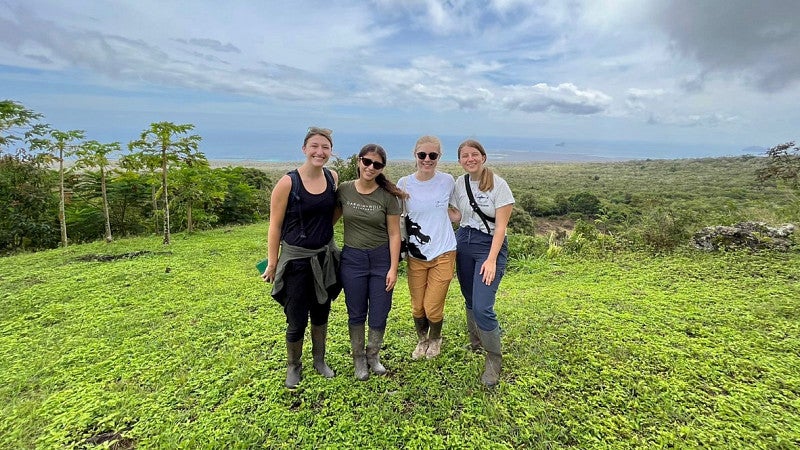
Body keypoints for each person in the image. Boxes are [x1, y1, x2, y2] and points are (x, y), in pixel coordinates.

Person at [261, 127, 341, 389]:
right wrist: (273, 262)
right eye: (315, 146)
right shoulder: (288, 183)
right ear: (304, 149)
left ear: (330, 151)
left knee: (322, 311)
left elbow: (331, 213)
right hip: (296, 261)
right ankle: (294, 366)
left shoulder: (333, 177)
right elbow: (275, 225)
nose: (320, 152)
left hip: (323, 258)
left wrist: (325, 237)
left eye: (325, 147)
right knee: (296, 317)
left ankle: (320, 360)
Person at [334, 144, 405, 380]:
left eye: (377, 164)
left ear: (382, 168)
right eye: (367, 161)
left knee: (379, 311)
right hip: (352, 259)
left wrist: (393, 268)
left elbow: (395, 234)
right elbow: (328, 222)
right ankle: (358, 360)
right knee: (355, 312)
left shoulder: (388, 197)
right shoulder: (344, 190)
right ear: (358, 161)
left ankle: (373, 355)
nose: (371, 167)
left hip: (380, 259)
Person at [451, 139, 514, 387]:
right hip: (463, 241)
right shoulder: (460, 182)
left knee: (482, 305)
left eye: (474, 154)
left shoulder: (499, 185)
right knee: (469, 298)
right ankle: (476, 342)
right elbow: (458, 216)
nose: (470, 159)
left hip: (489, 246)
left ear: (483, 157)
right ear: (460, 160)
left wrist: (491, 260)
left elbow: (501, 227)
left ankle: (493, 359)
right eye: (465, 156)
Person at [397, 135, 458, 360]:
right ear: (415, 155)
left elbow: (458, 208)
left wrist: (448, 216)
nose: (427, 159)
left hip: (443, 251)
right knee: (417, 307)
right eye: (422, 155)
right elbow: (397, 216)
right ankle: (422, 340)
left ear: (439, 157)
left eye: (432, 155)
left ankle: (435, 339)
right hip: (416, 254)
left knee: (432, 306)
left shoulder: (447, 180)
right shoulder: (404, 183)